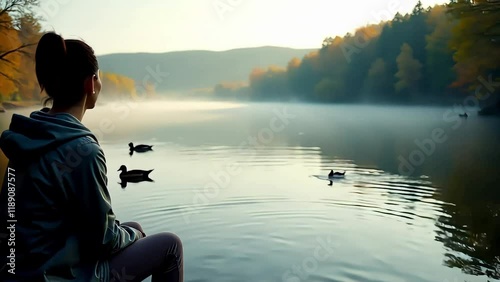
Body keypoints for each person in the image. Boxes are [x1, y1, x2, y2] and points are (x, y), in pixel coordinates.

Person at [0, 32, 183, 282]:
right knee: (170, 246)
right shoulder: (83, 150)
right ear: (91, 83)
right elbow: (104, 240)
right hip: (57, 276)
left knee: (134, 229)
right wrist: (133, 236)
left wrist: (129, 232)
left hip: (18, 271)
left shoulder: (25, 140)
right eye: (99, 78)